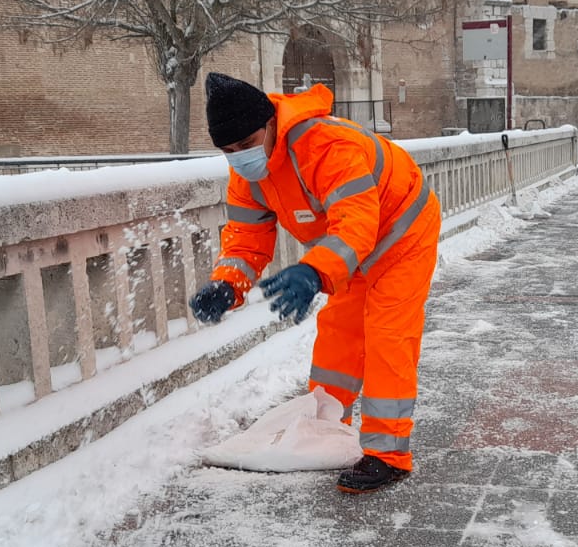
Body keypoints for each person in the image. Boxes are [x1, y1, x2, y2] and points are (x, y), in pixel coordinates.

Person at [189, 73, 442, 494]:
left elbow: (357, 222)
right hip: (347, 246)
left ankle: (388, 454)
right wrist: (227, 284)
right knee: (339, 332)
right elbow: (247, 239)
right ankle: (325, 426)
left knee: (386, 334)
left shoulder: (325, 146)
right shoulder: (246, 176)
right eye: (228, 151)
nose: (240, 156)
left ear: (270, 124)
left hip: (401, 232)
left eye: (247, 143)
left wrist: (314, 270)